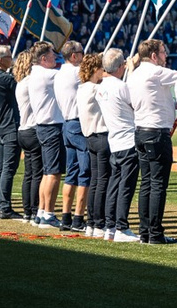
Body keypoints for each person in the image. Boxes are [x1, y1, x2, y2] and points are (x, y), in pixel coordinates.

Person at [127, 37, 177, 243]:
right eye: (164, 52)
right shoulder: (156, 71)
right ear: (154, 55)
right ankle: (155, 232)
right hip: (156, 132)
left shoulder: (135, 73)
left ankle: (145, 230)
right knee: (157, 184)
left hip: (141, 131)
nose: (166, 57)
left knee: (147, 183)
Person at [97, 48, 140, 243]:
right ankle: (121, 226)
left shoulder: (101, 86)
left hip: (115, 140)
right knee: (125, 185)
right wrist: (133, 72)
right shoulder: (120, 86)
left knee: (115, 184)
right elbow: (136, 104)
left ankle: (110, 225)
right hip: (128, 139)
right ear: (120, 66)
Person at [27, 41, 66, 227]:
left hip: (44, 126)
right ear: (43, 59)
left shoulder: (35, 73)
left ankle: (42, 211)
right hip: (52, 126)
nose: (55, 58)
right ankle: (48, 214)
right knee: (54, 173)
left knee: (47, 172)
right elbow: (70, 76)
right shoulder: (47, 75)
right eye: (52, 55)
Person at [55, 40, 90, 232]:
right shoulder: (76, 72)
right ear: (74, 56)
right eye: (82, 53)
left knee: (72, 172)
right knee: (85, 173)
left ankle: (66, 217)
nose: (84, 57)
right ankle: (78, 218)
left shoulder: (60, 73)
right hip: (78, 123)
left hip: (67, 123)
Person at [78, 52, 112, 237]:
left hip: (90, 136)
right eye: (101, 68)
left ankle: (92, 221)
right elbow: (110, 81)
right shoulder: (94, 88)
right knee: (102, 181)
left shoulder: (83, 87)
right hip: (100, 135)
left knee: (95, 180)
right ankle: (99, 222)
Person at [0, 45, 21, 220]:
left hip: (0, 126)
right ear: (0, 60)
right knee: (8, 167)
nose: (11, 58)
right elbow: (20, 87)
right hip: (9, 126)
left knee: (0, 168)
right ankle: (4, 207)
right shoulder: (4, 78)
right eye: (9, 55)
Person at [13, 50, 46, 224]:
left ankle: (28, 210)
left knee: (29, 173)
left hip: (23, 129)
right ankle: (34, 209)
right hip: (33, 129)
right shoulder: (30, 82)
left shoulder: (20, 83)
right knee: (36, 173)